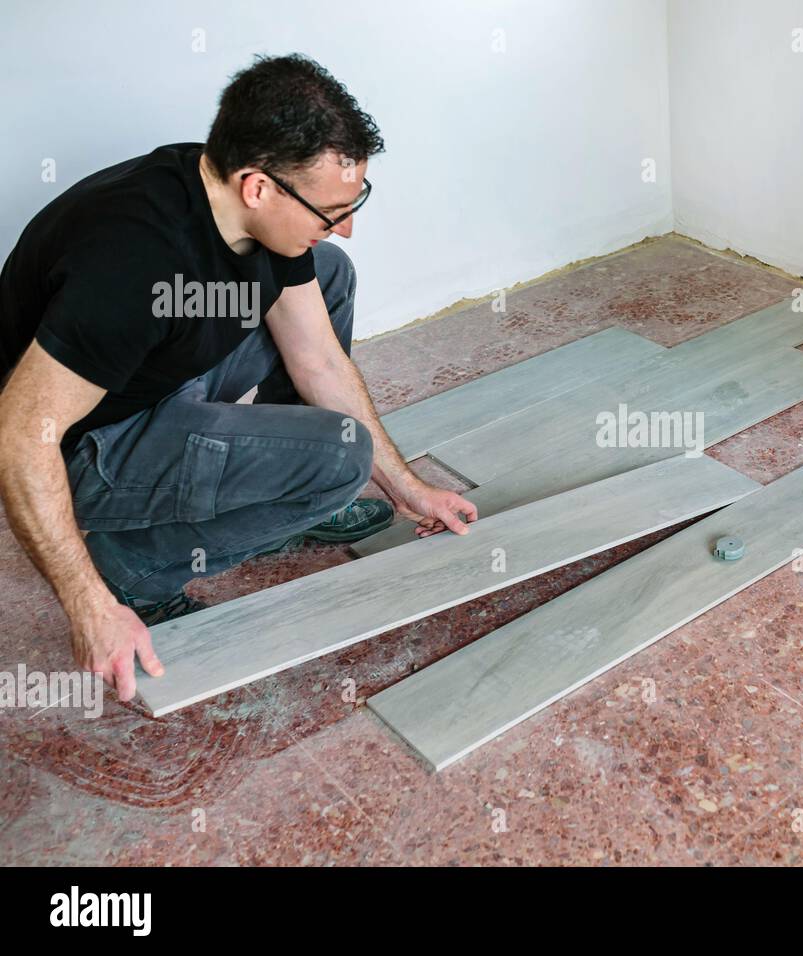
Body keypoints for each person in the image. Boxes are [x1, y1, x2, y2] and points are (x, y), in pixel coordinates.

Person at [0, 54, 477, 702]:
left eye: (354, 201)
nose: (348, 225)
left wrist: (408, 489)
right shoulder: (134, 260)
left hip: (154, 377)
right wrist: (88, 605)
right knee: (341, 457)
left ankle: (274, 504)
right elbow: (21, 430)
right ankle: (135, 570)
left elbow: (318, 359)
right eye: (332, 208)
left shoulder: (230, 195)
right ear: (258, 186)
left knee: (329, 275)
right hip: (88, 447)